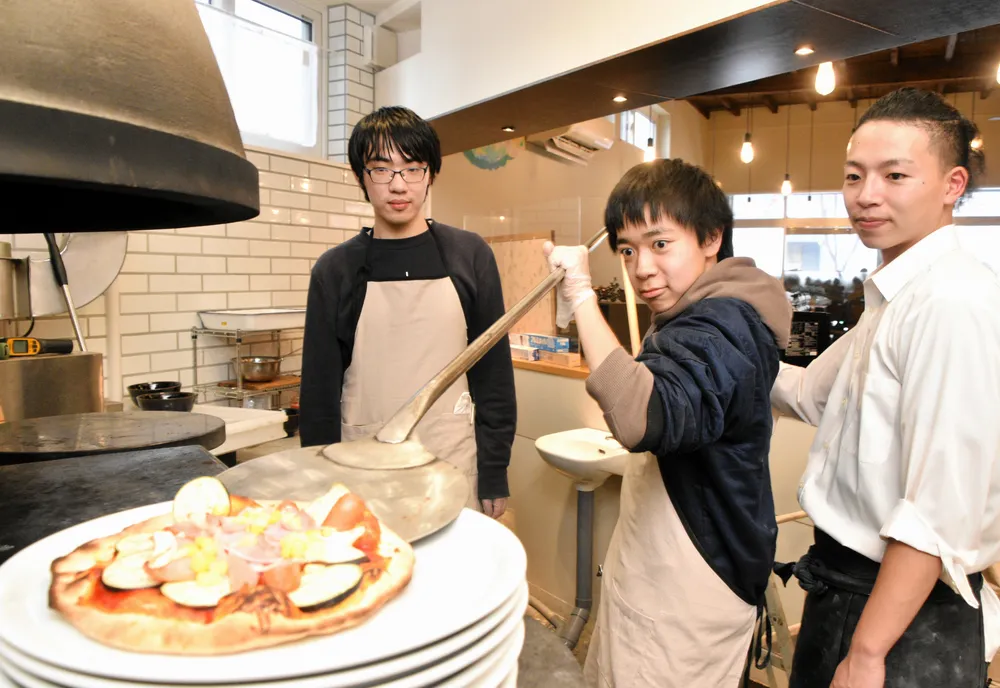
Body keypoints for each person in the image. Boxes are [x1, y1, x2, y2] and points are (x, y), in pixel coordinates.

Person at [771, 87, 1000, 687]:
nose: (865, 196)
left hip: (902, 616)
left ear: (952, 185)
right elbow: (810, 395)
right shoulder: (893, 296)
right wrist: (719, 344)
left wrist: (869, 651)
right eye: (853, 176)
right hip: (848, 588)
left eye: (894, 175)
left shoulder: (949, 299)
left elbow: (937, 512)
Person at [544, 157, 792, 687]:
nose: (641, 268)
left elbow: (640, 417)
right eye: (628, 250)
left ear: (710, 237)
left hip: (689, 590)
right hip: (660, 578)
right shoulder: (692, 315)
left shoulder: (723, 320)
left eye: (660, 244)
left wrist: (582, 298)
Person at [299, 106, 516, 519]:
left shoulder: (470, 255)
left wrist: (494, 470)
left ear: (430, 173)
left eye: (412, 168)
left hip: (450, 457)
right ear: (362, 177)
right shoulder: (335, 270)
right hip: (361, 463)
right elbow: (319, 395)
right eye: (382, 169)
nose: (398, 185)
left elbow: (494, 378)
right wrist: (320, 481)